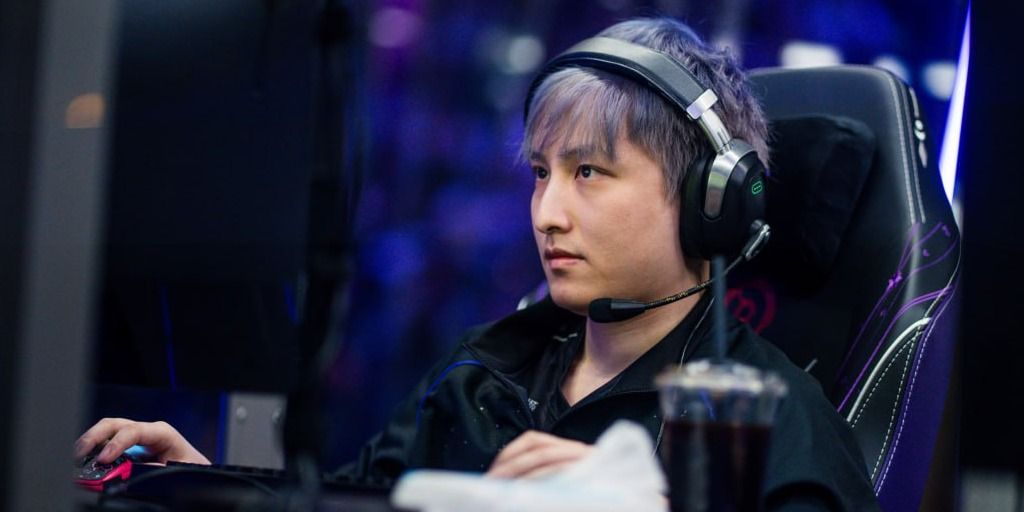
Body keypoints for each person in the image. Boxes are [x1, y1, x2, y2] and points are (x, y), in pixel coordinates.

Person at [76, 17, 880, 511]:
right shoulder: (484, 373)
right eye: (540, 173)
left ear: (712, 200)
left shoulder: (771, 422)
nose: (548, 212)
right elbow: (353, 501)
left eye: (589, 172)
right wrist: (207, 482)